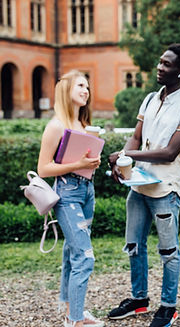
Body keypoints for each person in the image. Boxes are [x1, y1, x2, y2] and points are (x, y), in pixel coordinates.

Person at [107, 43, 180, 327]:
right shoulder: (149, 99)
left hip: (165, 189)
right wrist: (122, 165)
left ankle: (168, 306)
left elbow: (169, 153)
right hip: (138, 185)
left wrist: (127, 155)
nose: (160, 67)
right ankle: (139, 300)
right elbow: (135, 138)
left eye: (167, 64)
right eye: (160, 62)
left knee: (168, 251)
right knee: (134, 245)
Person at [37, 70, 103, 327]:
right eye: (80, 86)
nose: (86, 90)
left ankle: (70, 308)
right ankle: (75, 320)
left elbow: (81, 162)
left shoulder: (84, 126)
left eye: (87, 86)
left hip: (87, 191)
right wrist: (79, 163)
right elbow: (43, 169)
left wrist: (90, 163)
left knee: (71, 252)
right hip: (67, 194)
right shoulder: (56, 125)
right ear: (66, 90)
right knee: (85, 257)